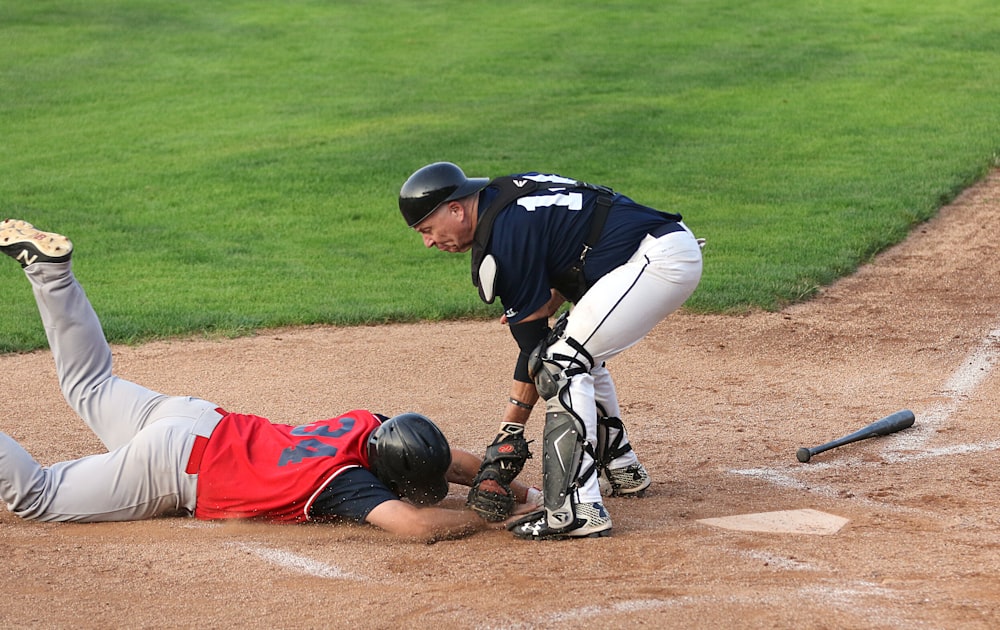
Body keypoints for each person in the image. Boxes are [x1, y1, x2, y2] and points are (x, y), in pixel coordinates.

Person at [0, 219, 539, 542]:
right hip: (174, 466)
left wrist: (518, 489)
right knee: (38, 497)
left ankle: (50, 273)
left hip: (195, 418)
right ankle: (49, 275)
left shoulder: (367, 427)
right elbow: (416, 526)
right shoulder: (348, 485)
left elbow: (447, 457)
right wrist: (479, 515)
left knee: (90, 385)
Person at [398, 163, 704, 540]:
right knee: (574, 355)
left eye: (427, 229)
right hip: (653, 251)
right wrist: (557, 296)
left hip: (655, 262)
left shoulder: (504, 238)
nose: (428, 242)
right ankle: (622, 469)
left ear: (456, 209)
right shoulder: (505, 198)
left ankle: (576, 509)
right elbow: (577, 230)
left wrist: (505, 442)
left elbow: (536, 355)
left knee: (560, 363)